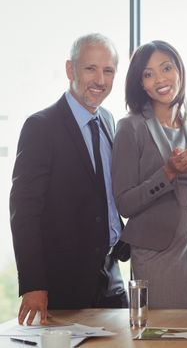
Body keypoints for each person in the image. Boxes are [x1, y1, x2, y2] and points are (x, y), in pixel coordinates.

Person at [10, 33, 128, 325]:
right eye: (90, 68)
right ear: (69, 69)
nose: (100, 79)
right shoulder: (41, 127)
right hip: (63, 284)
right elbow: (23, 211)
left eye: (108, 70)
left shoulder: (110, 121)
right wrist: (33, 284)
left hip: (111, 278)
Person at [112, 40, 187, 309]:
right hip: (156, 253)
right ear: (140, 83)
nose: (160, 79)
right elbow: (124, 203)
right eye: (148, 74)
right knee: (161, 333)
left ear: (179, 70)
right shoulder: (130, 128)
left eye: (166, 68)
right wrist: (168, 172)